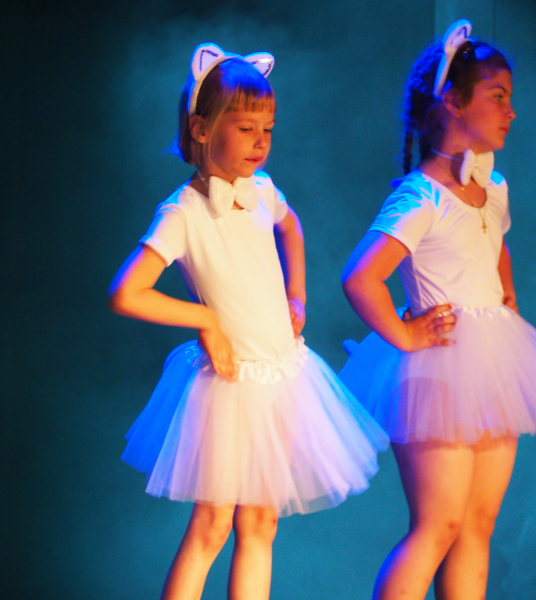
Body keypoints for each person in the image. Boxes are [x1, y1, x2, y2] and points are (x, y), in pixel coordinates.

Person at [109, 43, 388, 600]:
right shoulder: (183, 212)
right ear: (201, 128)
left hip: (282, 378)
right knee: (211, 526)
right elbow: (127, 292)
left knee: (260, 524)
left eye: (268, 129)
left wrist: (296, 294)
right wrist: (206, 320)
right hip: (231, 386)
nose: (261, 141)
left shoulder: (262, 189)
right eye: (245, 128)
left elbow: (292, 227)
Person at [339, 20, 536, 600]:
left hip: (493, 359)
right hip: (441, 367)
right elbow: (360, 278)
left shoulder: (493, 186)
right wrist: (406, 337)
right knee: (439, 525)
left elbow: (495, 240)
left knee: (478, 526)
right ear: (453, 103)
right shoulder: (420, 196)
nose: (511, 112)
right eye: (497, 97)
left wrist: (507, 293)